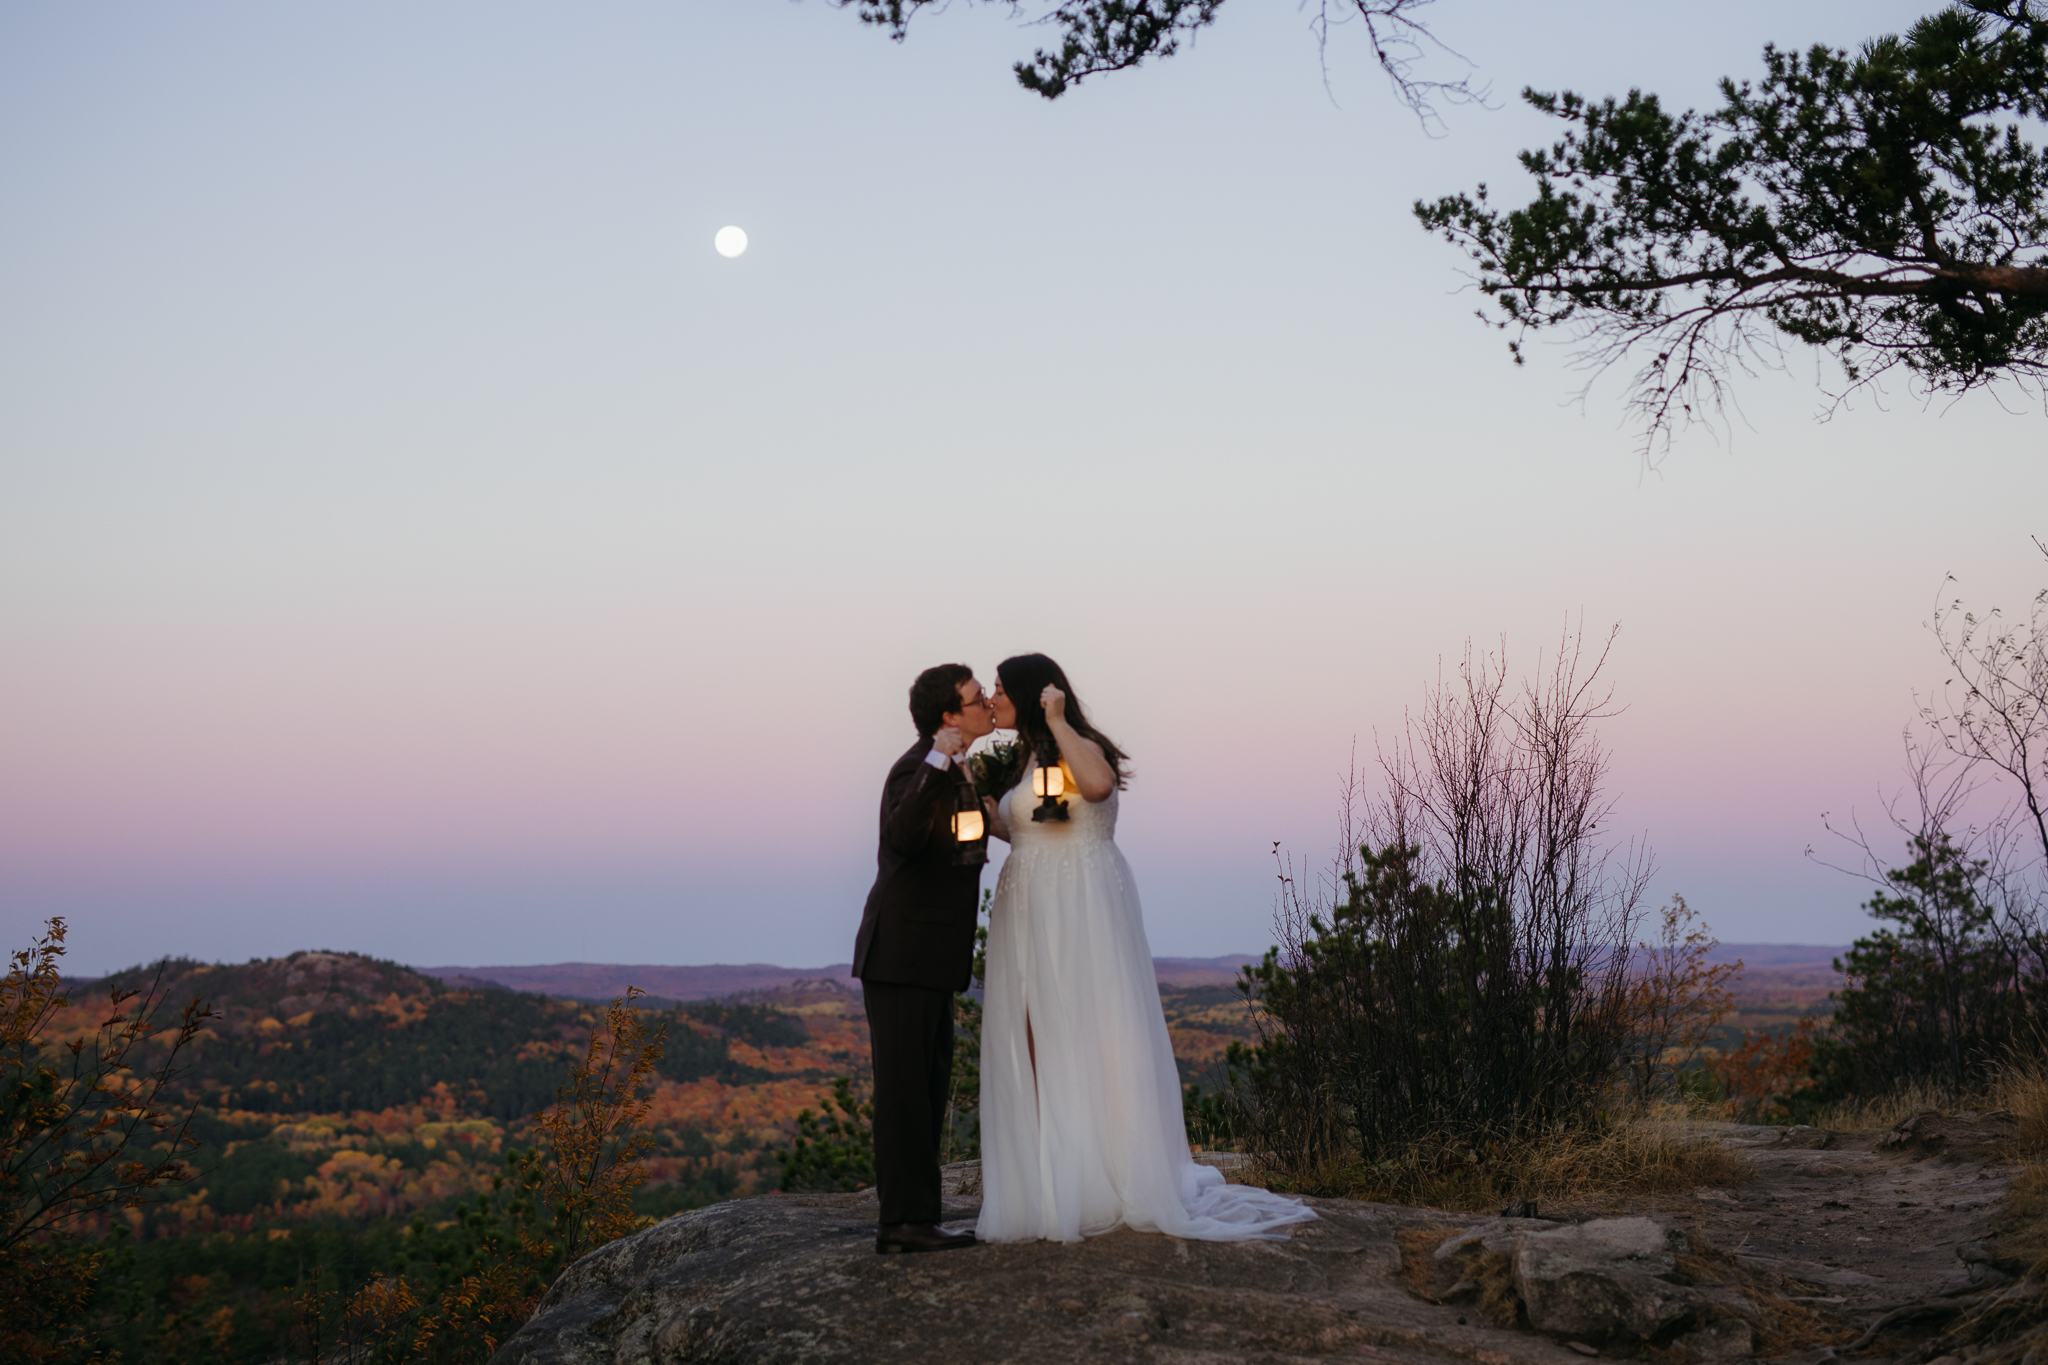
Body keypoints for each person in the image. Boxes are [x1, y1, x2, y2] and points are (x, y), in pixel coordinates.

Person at [975, 653, 1316, 1243]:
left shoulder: (1076, 744)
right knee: (1033, 1039)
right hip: (1028, 909)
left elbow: (1099, 786)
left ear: (1033, 694)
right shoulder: (1024, 758)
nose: (991, 697)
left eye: (1000, 688)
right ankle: (1051, 1179)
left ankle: (1102, 1177)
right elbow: (1024, 826)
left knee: (1088, 1031)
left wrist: (1057, 721)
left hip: (1079, 908)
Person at [851, 663, 998, 1254]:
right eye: (976, 697)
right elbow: (904, 835)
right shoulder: (917, 768)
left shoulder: (958, 769)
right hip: (902, 956)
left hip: (929, 959)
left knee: (928, 1090)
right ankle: (903, 1225)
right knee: (906, 1093)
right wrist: (939, 761)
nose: (987, 702)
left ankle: (919, 1218)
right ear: (949, 717)